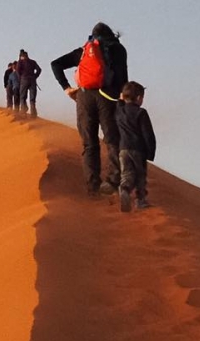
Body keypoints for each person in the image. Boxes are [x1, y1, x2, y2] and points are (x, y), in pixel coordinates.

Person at [50, 22, 129, 196]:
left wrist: (67, 88)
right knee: (112, 139)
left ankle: (93, 187)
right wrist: (123, 100)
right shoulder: (118, 49)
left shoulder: (85, 51)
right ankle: (113, 182)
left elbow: (55, 64)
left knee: (89, 143)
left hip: (84, 98)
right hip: (109, 97)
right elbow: (123, 75)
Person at [115, 81, 155, 212]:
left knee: (126, 173)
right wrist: (150, 152)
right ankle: (141, 200)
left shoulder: (119, 111)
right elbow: (148, 134)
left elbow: (119, 104)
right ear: (139, 98)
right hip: (138, 149)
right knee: (140, 175)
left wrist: (121, 100)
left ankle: (125, 188)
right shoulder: (141, 113)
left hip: (123, 149)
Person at [14, 49, 42, 115]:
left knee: (23, 96)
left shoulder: (20, 62)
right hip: (32, 80)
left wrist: (20, 77)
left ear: (22, 56)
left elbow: (17, 71)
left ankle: (23, 111)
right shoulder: (33, 62)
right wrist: (35, 76)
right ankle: (33, 114)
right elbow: (39, 70)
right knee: (32, 99)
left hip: (24, 79)